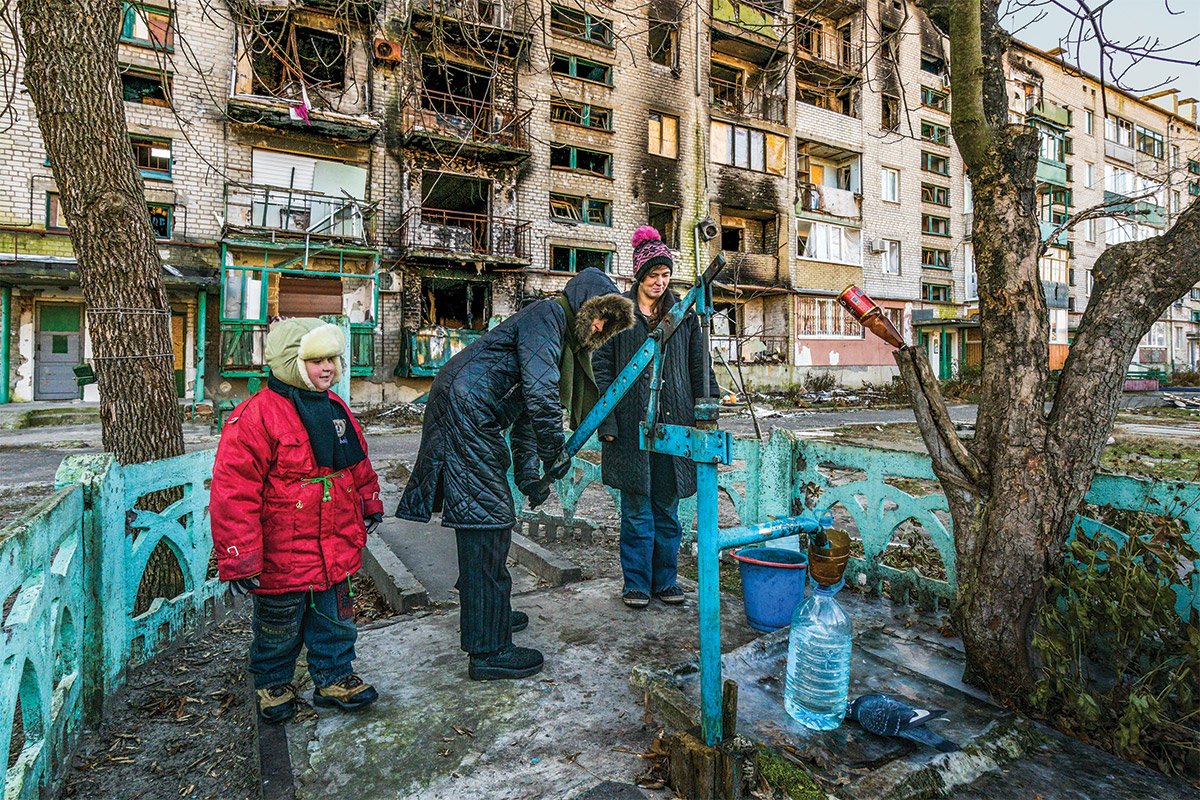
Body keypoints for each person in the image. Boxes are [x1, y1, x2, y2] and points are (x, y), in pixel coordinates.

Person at [397, 268, 634, 680]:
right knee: (486, 518)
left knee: (490, 517)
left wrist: (529, 475)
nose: (598, 327)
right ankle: (488, 649)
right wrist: (554, 452)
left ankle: (490, 614)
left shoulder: (553, 333)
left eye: (607, 324)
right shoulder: (547, 317)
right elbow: (540, 394)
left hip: (470, 409)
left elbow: (526, 412)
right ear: (581, 304)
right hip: (467, 411)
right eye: (597, 315)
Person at [211, 318, 383, 723]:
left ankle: (334, 676)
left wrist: (368, 501)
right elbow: (234, 492)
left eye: (333, 359)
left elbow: (356, 464)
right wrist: (239, 556)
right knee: (278, 624)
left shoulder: (337, 410)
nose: (329, 368)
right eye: (316, 360)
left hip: (333, 542)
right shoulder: (255, 417)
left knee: (334, 618)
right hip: (281, 550)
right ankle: (273, 683)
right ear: (290, 361)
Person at [593, 227, 718, 609]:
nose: (660, 282)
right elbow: (601, 369)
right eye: (653, 276)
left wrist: (707, 407)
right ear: (638, 276)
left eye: (665, 275)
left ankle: (665, 580)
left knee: (667, 507)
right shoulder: (617, 316)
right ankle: (636, 584)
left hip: (675, 425)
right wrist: (608, 423)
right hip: (630, 426)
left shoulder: (683, 314)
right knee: (636, 510)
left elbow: (700, 364)